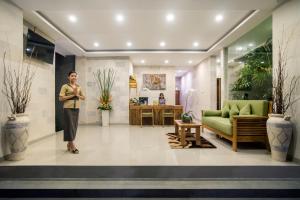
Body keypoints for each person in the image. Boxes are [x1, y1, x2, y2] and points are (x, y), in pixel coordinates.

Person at [59, 71, 85, 154]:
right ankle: (72, 145)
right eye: (72, 76)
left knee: (74, 126)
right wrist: (73, 95)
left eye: (75, 76)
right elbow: (61, 98)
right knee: (69, 126)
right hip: (68, 108)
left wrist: (77, 95)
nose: (73, 77)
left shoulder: (79, 87)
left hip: (76, 108)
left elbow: (83, 97)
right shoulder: (65, 86)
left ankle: (69, 144)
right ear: (68, 77)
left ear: (77, 77)